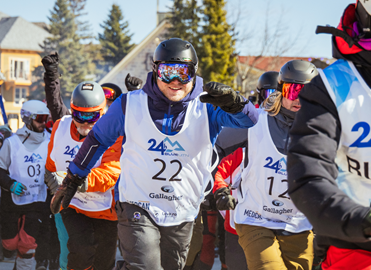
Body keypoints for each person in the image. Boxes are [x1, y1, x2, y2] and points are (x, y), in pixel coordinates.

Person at [51, 37, 258, 270]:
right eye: (168, 72)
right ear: (155, 71)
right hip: (137, 203)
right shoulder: (128, 104)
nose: (176, 81)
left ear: (194, 73)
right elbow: (96, 140)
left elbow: (250, 121)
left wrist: (236, 103)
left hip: (182, 209)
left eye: (184, 73)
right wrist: (73, 178)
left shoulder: (207, 106)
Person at [288, 1, 371, 269]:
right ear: (367, 16)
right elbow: (308, 177)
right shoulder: (332, 87)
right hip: (358, 252)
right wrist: (369, 219)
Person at [214, 60, 317, 270]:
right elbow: (220, 145)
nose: (299, 99)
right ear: (280, 91)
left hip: (297, 223)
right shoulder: (257, 121)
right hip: (255, 218)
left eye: (306, 93)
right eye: (293, 90)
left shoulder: (321, 132)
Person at [45, 81, 122, 270]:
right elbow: (50, 164)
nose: (86, 123)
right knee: (81, 251)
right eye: (79, 115)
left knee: (103, 262)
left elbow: (112, 171)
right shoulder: (60, 127)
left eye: (93, 116)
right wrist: (55, 183)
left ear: (103, 112)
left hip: (105, 210)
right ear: (71, 110)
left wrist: (79, 180)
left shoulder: (115, 131)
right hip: (73, 205)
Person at [0, 100, 50, 270]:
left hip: (38, 201)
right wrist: (10, 184)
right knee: (10, 244)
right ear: (28, 119)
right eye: (40, 118)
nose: (43, 122)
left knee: (28, 243)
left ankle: (24, 265)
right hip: (13, 201)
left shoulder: (49, 141)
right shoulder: (12, 143)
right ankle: (15, 257)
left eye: (45, 118)